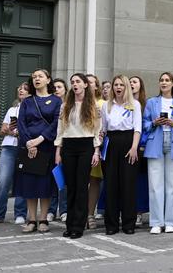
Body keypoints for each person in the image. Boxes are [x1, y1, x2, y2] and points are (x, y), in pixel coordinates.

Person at [14, 69, 62, 233]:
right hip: (28, 147)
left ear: (48, 80)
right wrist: (29, 142)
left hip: (47, 145)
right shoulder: (27, 102)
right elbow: (21, 123)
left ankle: (43, 219)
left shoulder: (56, 101)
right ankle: (31, 219)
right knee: (29, 183)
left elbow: (56, 123)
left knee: (44, 184)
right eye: (34, 77)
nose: (36, 79)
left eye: (40, 76)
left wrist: (40, 139)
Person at [54, 73, 101, 239]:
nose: (75, 85)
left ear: (85, 85)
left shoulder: (93, 106)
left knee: (82, 186)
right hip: (68, 145)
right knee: (71, 187)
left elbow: (97, 130)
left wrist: (96, 151)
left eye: (78, 82)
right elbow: (61, 129)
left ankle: (78, 226)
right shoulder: (66, 106)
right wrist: (58, 151)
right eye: (73, 82)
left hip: (86, 145)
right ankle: (70, 224)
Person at [143, 72, 173, 234]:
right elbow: (144, 124)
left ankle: (170, 221)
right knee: (155, 185)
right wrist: (155, 122)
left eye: (167, 80)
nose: (164, 82)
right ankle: (156, 221)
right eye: (161, 80)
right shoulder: (151, 102)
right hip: (155, 141)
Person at [101, 75, 142, 235]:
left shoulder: (134, 105)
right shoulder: (107, 106)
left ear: (126, 87)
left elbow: (137, 127)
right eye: (115, 85)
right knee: (111, 184)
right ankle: (111, 224)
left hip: (128, 142)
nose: (118, 88)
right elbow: (103, 128)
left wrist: (134, 147)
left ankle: (128, 223)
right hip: (111, 143)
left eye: (121, 85)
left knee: (128, 184)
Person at [0, 82, 29, 226]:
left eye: (25, 89)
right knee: (3, 181)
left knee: (22, 181)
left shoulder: (32, 109)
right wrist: (11, 131)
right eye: (20, 89)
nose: (21, 91)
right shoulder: (12, 109)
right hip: (8, 148)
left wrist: (19, 133)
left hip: (24, 148)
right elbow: (2, 131)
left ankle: (20, 213)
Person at [129, 75, 149, 227]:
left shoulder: (145, 105)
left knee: (140, 182)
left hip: (142, 147)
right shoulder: (124, 104)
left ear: (140, 86)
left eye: (134, 82)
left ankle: (139, 213)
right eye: (129, 82)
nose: (131, 84)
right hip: (126, 146)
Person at [85, 74, 104, 228]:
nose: (87, 84)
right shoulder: (75, 103)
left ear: (96, 86)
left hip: (98, 146)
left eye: (90, 82)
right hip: (80, 145)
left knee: (94, 181)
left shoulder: (103, 103)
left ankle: (90, 214)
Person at [48, 78, 68, 222]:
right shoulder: (48, 106)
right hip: (49, 143)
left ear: (65, 90)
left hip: (64, 145)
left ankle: (64, 209)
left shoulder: (68, 106)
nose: (56, 89)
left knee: (62, 178)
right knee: (52, 178)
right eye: (54, 87)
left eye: (59, 87)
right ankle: (51, 209)